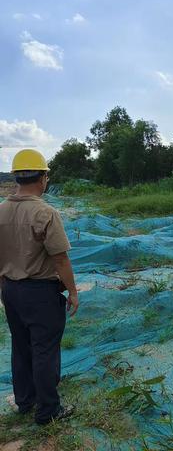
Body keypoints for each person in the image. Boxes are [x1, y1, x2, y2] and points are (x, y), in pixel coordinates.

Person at [0, 149, 79, 425]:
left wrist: (5, 286)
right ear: (43, 178)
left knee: (21, 348)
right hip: (40, 293)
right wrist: (73, 291)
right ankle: (48, 411)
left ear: (16, 177)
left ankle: (25, 401)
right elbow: (60, 258)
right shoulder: (45, 212)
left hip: (10, 290)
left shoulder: (1, 210)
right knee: (44, 349)